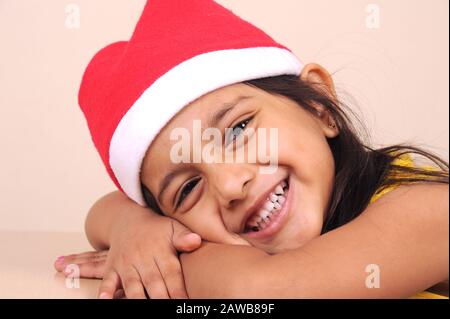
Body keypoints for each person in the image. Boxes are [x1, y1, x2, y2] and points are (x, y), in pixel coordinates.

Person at [54, 0, 449, 299]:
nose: (230, 186)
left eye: (238, 129)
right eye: (188, 189)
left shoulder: (430, 209)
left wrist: (163, 259)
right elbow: (101, 214)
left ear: (319, 106)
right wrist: (134, 228)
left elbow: (260, 291)